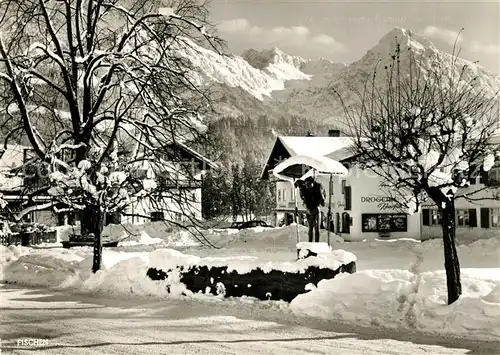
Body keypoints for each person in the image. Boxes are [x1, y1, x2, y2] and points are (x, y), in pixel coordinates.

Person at [295, 176, 325, 242]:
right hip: (309, 210)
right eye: (307, 184)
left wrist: (321, 198)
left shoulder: (317, 189)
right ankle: (310, 243)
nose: (308, 186)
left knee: (316, 229)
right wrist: (297, 184)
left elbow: (322, 202)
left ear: (313, 183)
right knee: (310, 229)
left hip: (316, 210)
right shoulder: (304, 189)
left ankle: (316, 243)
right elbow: (299, 183)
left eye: (309, 184)